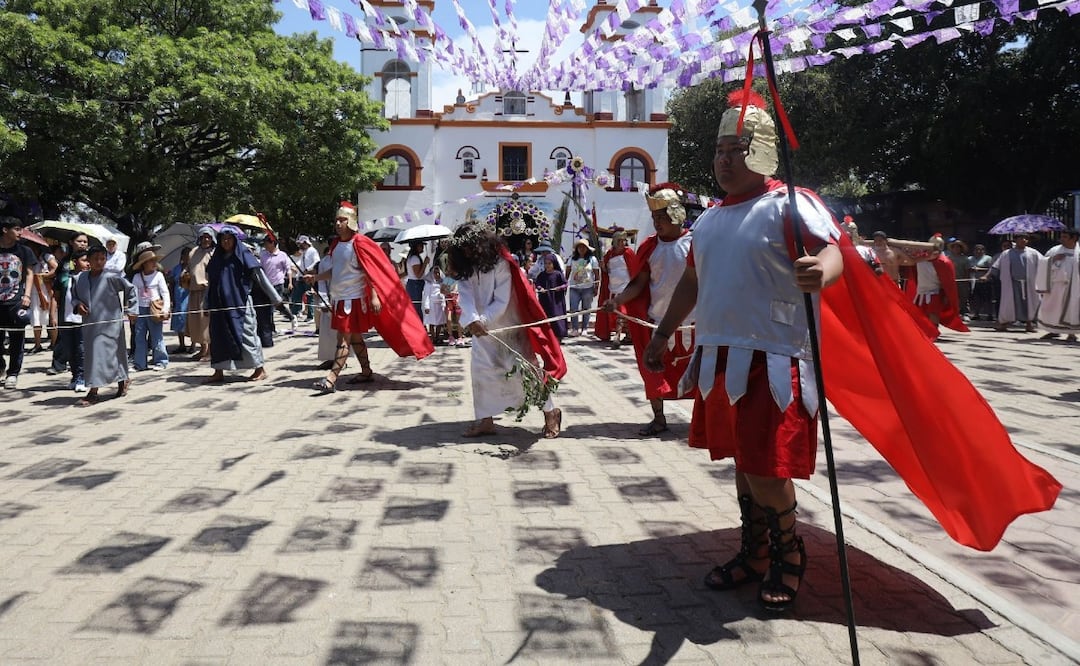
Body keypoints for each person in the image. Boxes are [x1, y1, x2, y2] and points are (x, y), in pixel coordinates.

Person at [647, 91, 845, 613]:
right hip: (721, 359)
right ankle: (756, 551)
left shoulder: (792, 202)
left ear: (761, 150)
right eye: (719, 150)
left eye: (737, 148)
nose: (725, 160)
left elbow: (833, 248)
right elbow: (692, 282)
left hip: (776, 357)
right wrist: (663, 332)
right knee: (742, 461)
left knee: (765, 466)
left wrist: (820, 270)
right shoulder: (708, 220)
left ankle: (789, 553)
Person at [446, 223, 566, 439]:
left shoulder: (500, 263)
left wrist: (482, 320)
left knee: (526, 371)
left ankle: (551, 412)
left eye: (470, 247)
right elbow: (465, 295)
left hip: (508, 324)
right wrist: (472, 320)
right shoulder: (466, 266)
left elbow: (502, 300)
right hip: (481, 330)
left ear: (480, 244)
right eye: (462, 250)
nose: (467, 253)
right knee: (481, 371)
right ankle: (486, 421)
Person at [305, 202, 433, 393]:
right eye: (337, 220)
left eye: (342, 220)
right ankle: (366, 372)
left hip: (353, 299)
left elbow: (369, 271)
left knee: (343, 341)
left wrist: (374, 296)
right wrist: (316, 277)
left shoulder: (359, 243)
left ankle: (331, 379)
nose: (338, 224)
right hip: (339, 299)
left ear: (351, 222)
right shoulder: (336, 245)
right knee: (355, 338)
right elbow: (337, 271)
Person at [603, 182, 696, 437]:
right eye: (654, 217)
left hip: (695, 324)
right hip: (658, 323)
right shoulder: (649, 247)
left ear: (676, 214)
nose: (657, 222)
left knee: (699, 373)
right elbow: (639, 284)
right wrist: (618, 300)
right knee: (654, 371)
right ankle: (659, 419)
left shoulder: (696, 243)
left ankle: (703, 421)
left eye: (662, 216)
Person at [203, 225, 281, 383]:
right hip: (219, 306)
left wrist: (275, 298)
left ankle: (260, 369)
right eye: (223, 239)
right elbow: (210, 283)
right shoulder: (216, 259)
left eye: (229, 239)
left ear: (235, 240)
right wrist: (206, 304)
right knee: (218, 338)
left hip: (241, 304)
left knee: (247, 337)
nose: (226, 242)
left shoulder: (243, 255)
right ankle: (219, 371)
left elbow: (260, 277)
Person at [72, 244, 137, 405]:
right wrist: (78, 305)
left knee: (116, 353)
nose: (99, 262)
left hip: (111, 324)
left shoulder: (112, 277)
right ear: (89, 260)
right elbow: (73, 297)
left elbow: (131, 289)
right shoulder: (79, 278)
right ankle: (98, 389)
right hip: (90, 325)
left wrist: (133, 310)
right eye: (96, 259)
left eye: (102, 259)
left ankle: (110, 385)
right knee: (94, 356)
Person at [0, 216, 37, 390]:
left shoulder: (24, 251)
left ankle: (13, 373)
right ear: (5, 230)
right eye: (16, 229)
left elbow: (30, 273)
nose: (20, 232)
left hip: (16, 300)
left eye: (21, 229)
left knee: (16, 339)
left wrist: (27, 296)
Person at [904, 234, 968, 332]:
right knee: (921, 312)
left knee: (933, 312)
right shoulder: (920, 258)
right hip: (921, 290)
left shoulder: (944, 262)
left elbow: (948, 282)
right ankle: (924, 330)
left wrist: (946, 295)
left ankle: (933, 330)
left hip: (935, 291)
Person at [53, 249, 89, 392]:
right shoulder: (64, 278)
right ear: (75, 262)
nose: (87, 263)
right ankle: (74, 376)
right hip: (66, 319)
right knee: (69, 349)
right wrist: (53, 315)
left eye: (88, 260)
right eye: (84, 260)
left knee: (81, 349)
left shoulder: (89, 278)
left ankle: (82, 377)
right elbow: (56, 297)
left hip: (83, 320)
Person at [989, 234, 1041, 332]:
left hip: (1028, 284)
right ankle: (1003, 324)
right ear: (1016, 240)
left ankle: (1029, 324)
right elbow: (996, 266)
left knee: (1029, 304)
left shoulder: (1033, 253)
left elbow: (1044, 263)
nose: (1024, 240)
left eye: (1026, 239)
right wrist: (987, 276)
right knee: (1008, 303)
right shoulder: (1006, 253)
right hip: (1011, 284)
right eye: (1021, 238)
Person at [1035, 229, 1080, 341]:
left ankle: (1071, 334)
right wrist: (1053, 259)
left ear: (1073, 238)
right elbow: (1042, 263)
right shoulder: (1055, 250)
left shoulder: (1078, 252)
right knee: (1051, 309)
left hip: (1074, 287)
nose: (1061, 239)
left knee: (1071, 309)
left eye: (1065, 237)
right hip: (1056, 287)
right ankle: (1052, 331)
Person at [130, 247, 171, 371]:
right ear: (144, 264)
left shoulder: (158, 275)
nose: (154, 263)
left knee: (156, 336)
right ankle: (140, 364)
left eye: (155, 260)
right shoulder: (137, 277)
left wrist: (165, 308)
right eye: (151, 261)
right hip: (141, 309)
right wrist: (133, 311)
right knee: (139, 337)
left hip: (155, 309)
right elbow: (133, 296)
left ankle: (161, 361)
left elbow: (165, 293)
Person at [594, 231, 637, 348]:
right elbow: (607, 271)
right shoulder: (609, 254)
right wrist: (603, 267)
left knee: (623, 313)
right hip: (613, 288)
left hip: (626, 288)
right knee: (620, 313)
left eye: (624, 240)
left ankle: (619, 336)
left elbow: (635, 270)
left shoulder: (628, 253)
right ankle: (627, 336)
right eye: (620, 240)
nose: (623, 243)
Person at [255, 235, 296, 346]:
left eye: (267, 243)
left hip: (278, 284)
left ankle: (291, 317)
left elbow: (288, 270)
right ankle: (271, 329)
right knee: (268, 308)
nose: (265, 245)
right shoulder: (263, 254)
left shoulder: (282, 255)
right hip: (266, 284)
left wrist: (290, 282)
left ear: (272, 243)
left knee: (277, 305)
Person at [185, 227, 215, 361]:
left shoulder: (214, 253)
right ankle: (202, 349)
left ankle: (210, 351)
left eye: (208, 237)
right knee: (196, 323)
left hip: (207, 291)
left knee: (206, 323)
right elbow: (189, 267)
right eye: (203, 237)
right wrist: (184, 275)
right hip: (193, 291)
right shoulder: (193, 252)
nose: (206, 239)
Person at [26, 241, 58, 353]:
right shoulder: (28, 257)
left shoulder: (46, 256)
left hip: (47, 289)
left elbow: (56, 268)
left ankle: (54, 343)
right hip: (34, 290)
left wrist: (45, 275)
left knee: (52, 316)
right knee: (36, 318)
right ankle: (37, 344)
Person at [565, 239, 599, 337]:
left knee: (586, 308)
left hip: (588, 288)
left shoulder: (592, 260)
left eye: (584, 247)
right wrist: (564, 284)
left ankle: (585, 328)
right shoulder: (572, 259)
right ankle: (575, 328)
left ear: (587, 249)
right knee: (573, 309)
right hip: (574, 287)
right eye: (580, 247)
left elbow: (597, 274)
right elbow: (567, 272)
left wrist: (596, 286)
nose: (581, 249)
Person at [534, 254, 568, 340]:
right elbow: (537, 283)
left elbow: (565, 284)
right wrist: (540, 288)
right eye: (546, 263)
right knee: (546, 316)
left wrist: (559, 288)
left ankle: (559, 336)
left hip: (556, 301)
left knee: (557, 316)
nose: (547, 265)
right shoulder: (542, 275)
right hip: (545, 300)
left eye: (549, 263)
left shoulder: (558, 274)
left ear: (554, 264)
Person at [292, 235, 320, 321]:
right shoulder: (303, 252)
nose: (300, 246)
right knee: (297, 296)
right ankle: (295, 314)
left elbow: (316, 261)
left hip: (309, 276)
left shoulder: (313, 251)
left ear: (305, 243)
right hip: (301, 277)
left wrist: (308, 269)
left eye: (301, 244)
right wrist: (298, 274)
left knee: (309, 297)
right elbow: (301, 264)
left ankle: (310, 316)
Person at [168, 247, 191, 353]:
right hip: (178, 297)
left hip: (189, 297)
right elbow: (171, 283)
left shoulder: (193, 268)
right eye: (185, 254)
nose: (186, 257)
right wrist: (171, 298)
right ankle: (182, 345)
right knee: (178, 320)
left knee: (190, 321)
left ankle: (193, 344)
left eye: (189, 255)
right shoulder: (176, 269)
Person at [946, 238, 972, 321]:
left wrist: (967, 281)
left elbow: (967, 271)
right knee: (951, 298)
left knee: (963, 298)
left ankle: (964, 313)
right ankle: (952, 313)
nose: (956, 249)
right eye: (955, 247)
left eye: (958, 247)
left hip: (962, 281)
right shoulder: (948, 258)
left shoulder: (965, 259)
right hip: (950, 281)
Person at [422, 265, 448, 343]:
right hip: (432, 305)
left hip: (440, 305)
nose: (437, 275)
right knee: (432, 322)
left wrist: (444, 303)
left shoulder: (442, 283)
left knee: (439, 322)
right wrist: (427, 306)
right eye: (435, 273)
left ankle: (437, 336)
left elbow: (444, 294)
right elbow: (426, 295)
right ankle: (433, 337)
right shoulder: (429, 283)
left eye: (438, 273)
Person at [404, 241, 429, 321]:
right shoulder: (415, 258)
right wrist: (425, 263)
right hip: (415, 285)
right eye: (421, 245)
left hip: (413, 284)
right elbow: (418, 275)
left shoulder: (412, 257)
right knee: (417, 307)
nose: (422, 247)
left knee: (416, 307)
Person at [969, 243, 994, 320]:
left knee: (987, 298)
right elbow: (967, 268)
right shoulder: (970, 258)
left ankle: (990, 314)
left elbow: (991, 269)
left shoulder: (988, 258)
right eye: (977, 249)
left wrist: (980, 270)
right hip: (974, 281)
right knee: (976, 298)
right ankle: (976, 314)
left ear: (984, 251)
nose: (979, 251)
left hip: (985, 281)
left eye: (981, 249)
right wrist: (971, 269)